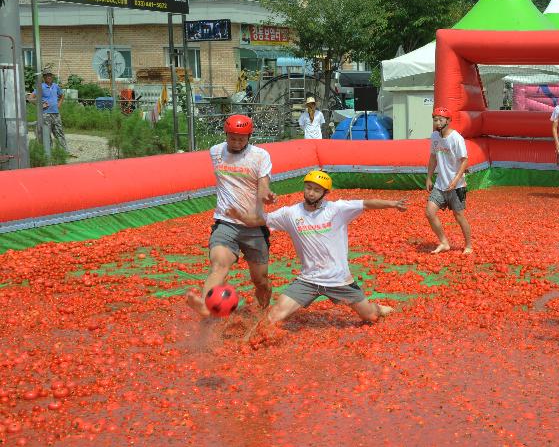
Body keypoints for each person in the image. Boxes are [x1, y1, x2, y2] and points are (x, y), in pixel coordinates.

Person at [231, 170, 402, 339]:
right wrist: (238, 216)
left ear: (326, 193)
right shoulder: (290, 214)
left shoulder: (338, 209)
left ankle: (378, 308)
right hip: (308, 280)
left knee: (370, 316)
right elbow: (261, 220)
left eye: (317, 190)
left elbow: (367, 203)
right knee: (273, 316)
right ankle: (245, 342)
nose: (311, 193)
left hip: (339, 280)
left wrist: (393, 204)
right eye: (308, 188)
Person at [187, 115, 277, 318]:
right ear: (226, 135)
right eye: (233, 138)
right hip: (225, 222)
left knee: (260, 280)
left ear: (249, 137)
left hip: (254, 225)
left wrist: (267, 195)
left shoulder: (260, 156)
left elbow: (263, 186)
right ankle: (204, 305)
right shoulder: (216, 152)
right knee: (219, 265)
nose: (237, 142)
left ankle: (263, 314)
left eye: (242, 139)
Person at [426, 107, 472, 254]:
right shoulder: (434, 136)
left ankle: (469, 245)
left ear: (448, 121)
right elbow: (433, 158)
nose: (437, 123)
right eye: (435, 120)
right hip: (440, 184)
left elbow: (465, 161)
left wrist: (455, 180)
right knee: (429, 212)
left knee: (459, 216)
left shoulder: (456, 138)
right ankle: (444, 242)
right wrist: (428, 177)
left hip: (456, 186)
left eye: (440, 120)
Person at [28, 71, 69, 153]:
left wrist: (58, 105)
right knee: (46, 133)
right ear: (44, 78)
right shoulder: (41, 87)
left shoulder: (56, 86)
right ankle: (48, 152)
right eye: (47, 76)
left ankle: (63, 152)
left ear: (52, 77)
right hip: (45, 114)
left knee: (59, 132)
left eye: (50, 75)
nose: (49, 77)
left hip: (56, 114)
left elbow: (61, 96)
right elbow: (30, 98)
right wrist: (40, 104)